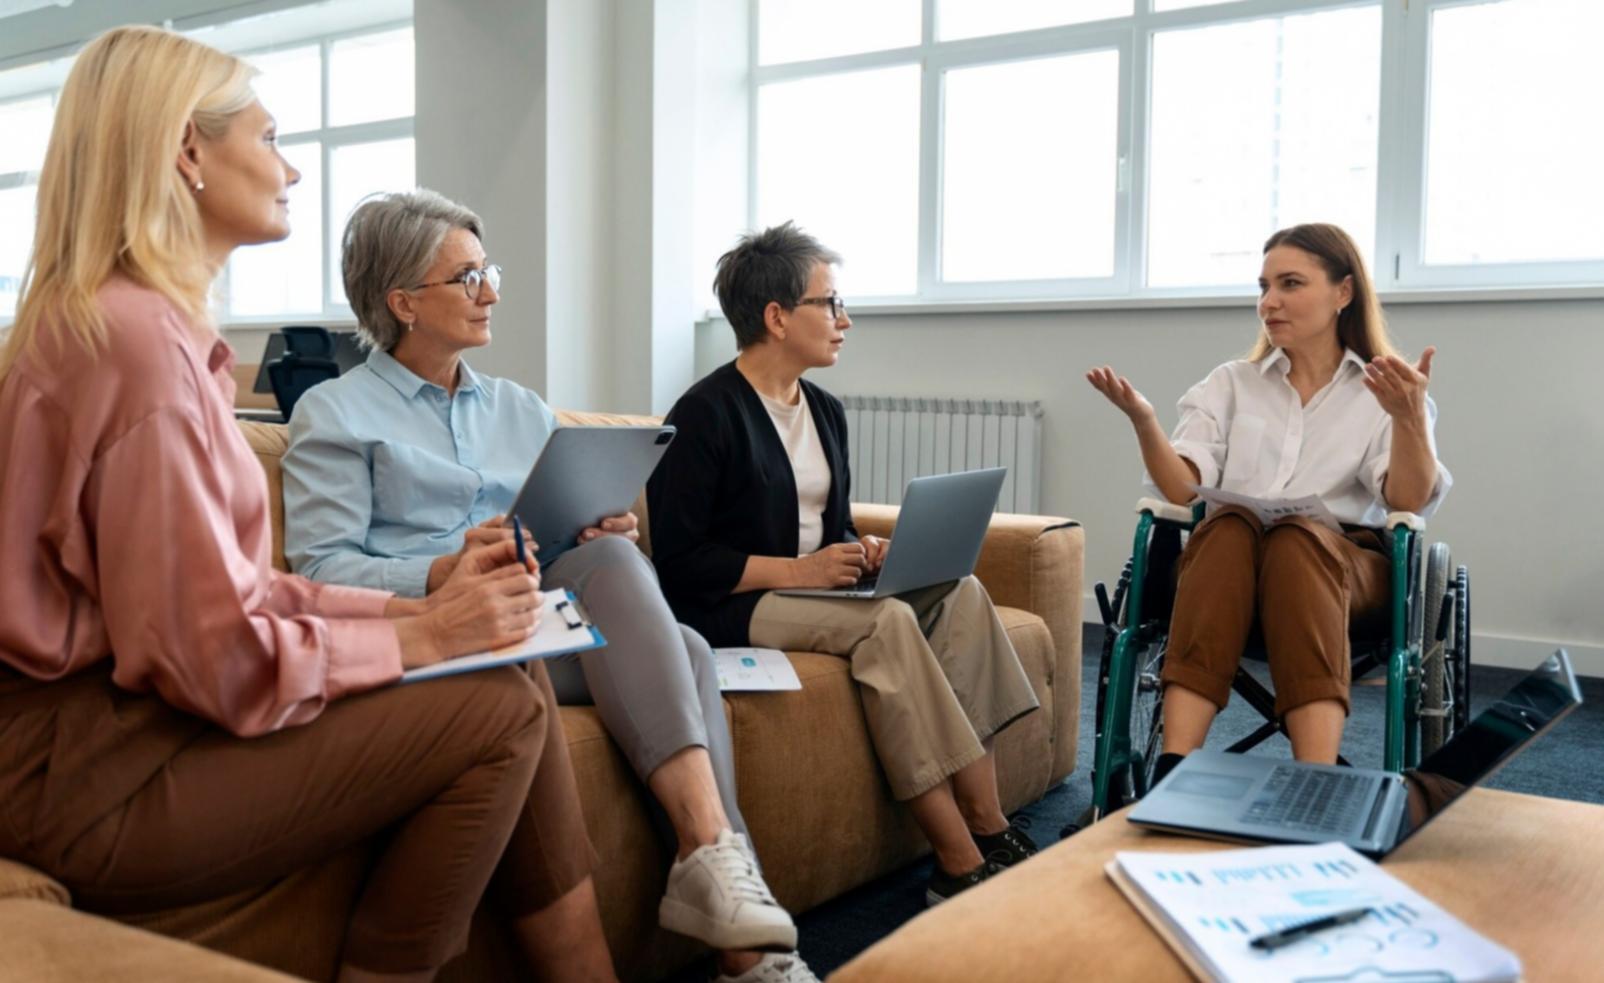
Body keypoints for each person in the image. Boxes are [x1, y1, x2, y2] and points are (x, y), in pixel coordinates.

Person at [0, 26, 618, 983]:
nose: (290, 167)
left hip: (108, 735)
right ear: (188, 151)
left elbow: (244, 593)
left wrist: (424, 617)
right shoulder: (136, 349)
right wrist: (426, 635)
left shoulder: (132, 329)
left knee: (505, 667)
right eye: (271, 137)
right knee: (498, 709)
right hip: (83, 773)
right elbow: (214, 659)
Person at [281, 190, 816, 983]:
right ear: (403, 303)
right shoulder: (333, 413)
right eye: (467, 277)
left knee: (657, 608)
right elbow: (319, 569)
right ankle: (741, 927)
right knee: (685, 647)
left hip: (541, 619)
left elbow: (561, 537)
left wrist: (600, 528)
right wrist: (439, 568)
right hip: (444, 630)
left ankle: (721, 882)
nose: (491, 292)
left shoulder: (520, 408)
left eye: (488, 271)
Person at [647, 222, 1043, 908]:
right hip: (733, 605)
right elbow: (681, 563)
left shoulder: (825, 411)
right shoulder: (704, 414)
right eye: (830, 303)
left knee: (960, 590)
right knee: (886, 623)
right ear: (777, 317)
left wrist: (863, 550)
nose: (844, 319)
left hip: (814, 593)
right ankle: (955, 861)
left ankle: (988, 821)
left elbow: (828, 527)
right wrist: (799, 571)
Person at [1086, 222, 1452, 775]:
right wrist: (1145, 422)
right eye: (1263, 287)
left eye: (1290, 284)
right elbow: (1182, 489)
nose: (1268, 302)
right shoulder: (1231, 384)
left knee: (1295, 539)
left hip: (1345, 568)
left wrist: (1408, 421)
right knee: (1230, 526)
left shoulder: (1386, 392)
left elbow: (1406, 499)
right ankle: (1173, 767)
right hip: (1228, 565)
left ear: (1343, 292)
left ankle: (1315, 777)